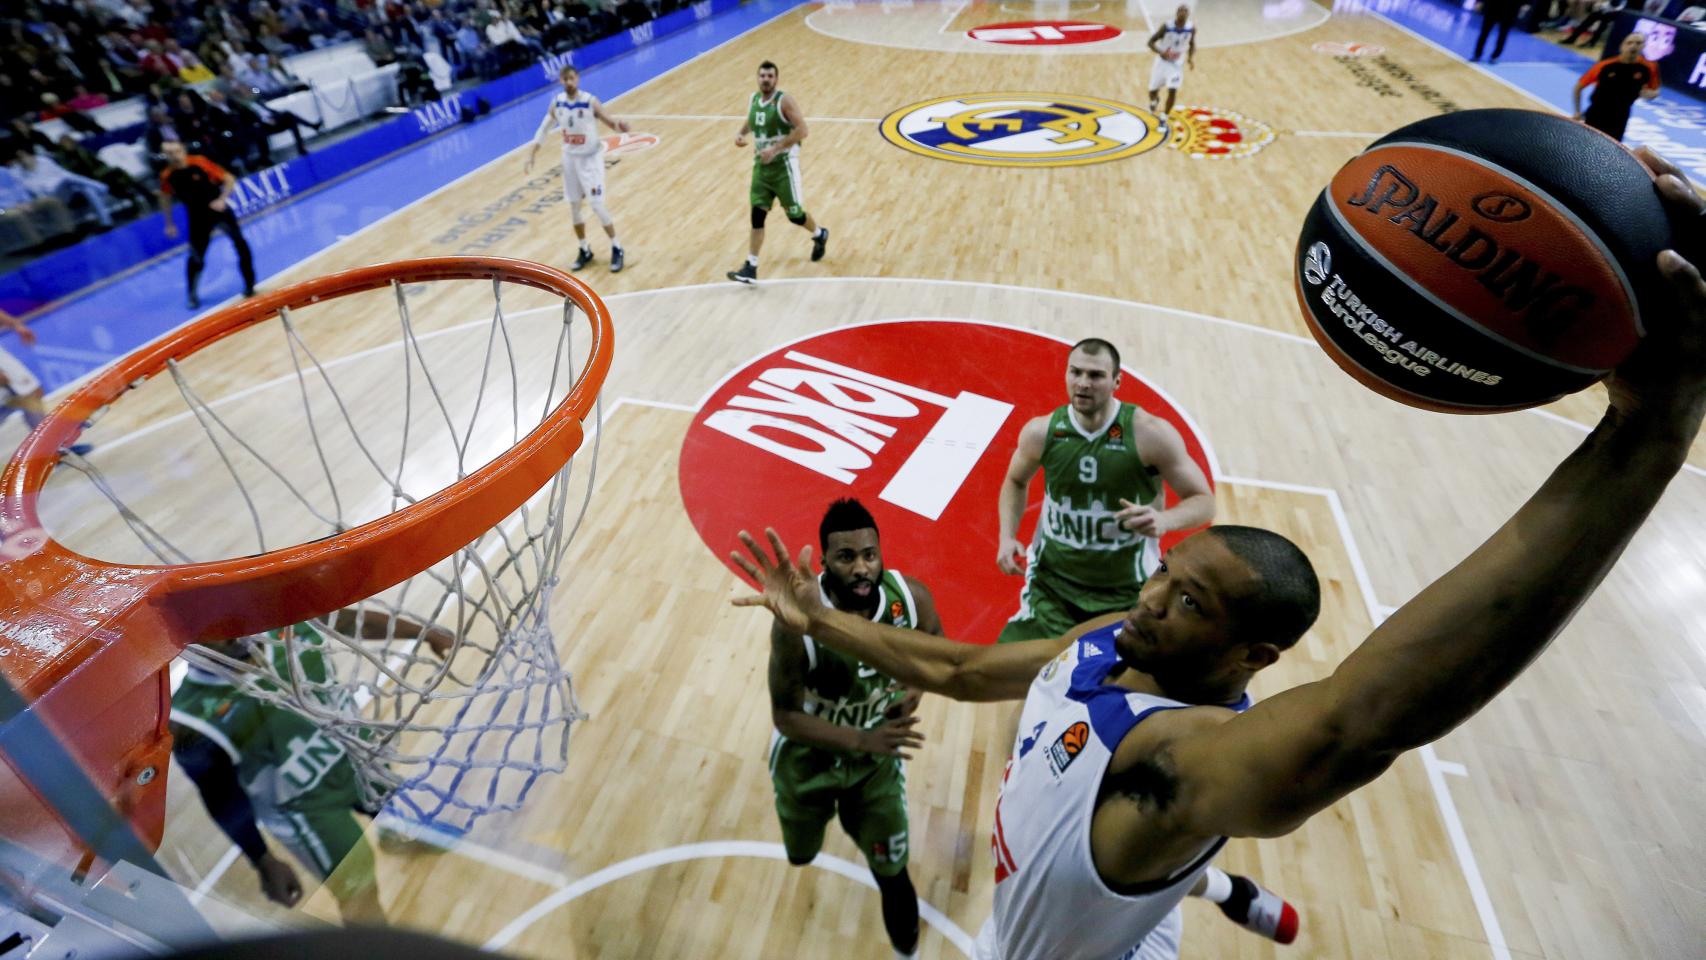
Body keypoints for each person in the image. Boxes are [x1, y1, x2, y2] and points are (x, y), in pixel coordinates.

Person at [729, 145, 1706, 960]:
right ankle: (1216, 885)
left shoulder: (1175, 763)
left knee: (1158, 845)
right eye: (1165, 578)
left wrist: (1644, 441)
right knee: (1151, 857)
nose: (1151, 603)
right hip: (1083, 882)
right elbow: (954, 666)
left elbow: (1356, 722)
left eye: (1190, 604)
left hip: (1088, 927)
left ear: (1254, 661)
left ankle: (1197, 876)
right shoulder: (1118, 636)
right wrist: (814, 615)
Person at [171, 611, 454, 923]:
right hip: (307, 811)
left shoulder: (291, 622)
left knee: (401, 811)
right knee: (360, 894)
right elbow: (222, 799)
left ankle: (395, 835)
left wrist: (423, 632)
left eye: (230, 617)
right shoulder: (192, 720)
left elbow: (351, 621)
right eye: (212, 627)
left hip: (358, 757)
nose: (232, 631)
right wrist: (262, 859)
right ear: (182, 643)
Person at [767, 499, 941, 960]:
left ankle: (909, 955)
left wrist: (915, 690)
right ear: (824, 563)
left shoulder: (909, 600)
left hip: (875, 767)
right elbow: (785, 716)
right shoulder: (796, 625)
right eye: (846, 557)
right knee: (801, 855)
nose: (862, 568)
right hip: (807, 759)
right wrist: (863, 737)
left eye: (870, 554)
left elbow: (937, 645)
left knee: (893, 872)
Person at [995, 338, 1214, 643]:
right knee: (1027, 675)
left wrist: (1164, 521)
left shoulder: (1150, 435)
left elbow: (1203, 502)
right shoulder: (1041, 432)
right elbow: (1015, 481)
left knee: (1113, 682)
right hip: (1052, 585)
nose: (1083, 383)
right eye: (1076, 372)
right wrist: (1007, 537)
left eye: (1095, 375)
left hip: (1127, 590)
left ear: (1116, 381)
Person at [726, 60, 829, 285]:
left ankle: (819, 234)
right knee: (757, 215)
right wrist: (741, 133)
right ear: (757, 78)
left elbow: (803, 130)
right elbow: (753, 120)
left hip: (784, 166)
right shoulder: (754, 99)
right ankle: (751, 266)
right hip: (761, 168)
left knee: (795, 215)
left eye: (770, 76)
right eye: (762, 75)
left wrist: (775, 149)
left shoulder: (784, 101)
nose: (765, 79)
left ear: (776, 79)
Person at [524, 64, 630, 273]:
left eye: (571, 78)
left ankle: (617, 246)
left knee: (597, 204)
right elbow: (544, 128)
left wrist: (621, 127)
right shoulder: (557, 103)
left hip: (590, 159)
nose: (568, 82)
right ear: (560, 81)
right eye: (564, 79)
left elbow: (609, 121)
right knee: (574, 207)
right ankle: (584, 249)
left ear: (577, 78)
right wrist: (531, 153)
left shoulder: (589, 101)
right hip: (570, 159)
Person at [158, 140, 257, 310]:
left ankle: (250, 284)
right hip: (197, 218)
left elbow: (229, 179)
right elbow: (165, 198)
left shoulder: (199, 163)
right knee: (196, 257)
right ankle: (192, 294)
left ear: (183, 150)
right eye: (168, 153)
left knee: (240, 243)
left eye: (175, 151)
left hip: (218, 211)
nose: (173, 156)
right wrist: (169, 223)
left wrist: (222, 199)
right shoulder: (168, 175)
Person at [1574, 32, 1660, 142]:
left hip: (1621, 115)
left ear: (1643, 46)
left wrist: (1649, 94)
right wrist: (1577, 111)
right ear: (1622, 46)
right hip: (1597, 112)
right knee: (1587, 144)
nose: (1633, 46)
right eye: (1629, 43)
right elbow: (1578, 87)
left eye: (1638, 43)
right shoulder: (1605, 66)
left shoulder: (1649, 67)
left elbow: (1655, 91)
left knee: (1612, 149)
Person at [1146, 5, 1195, 116]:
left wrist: (1190, 59)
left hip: (1176, 65)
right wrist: (1161, 52)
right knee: (1152, 91)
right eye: (1180, 10)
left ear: (1188, 14)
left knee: (1173, 90)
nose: (1182, 12)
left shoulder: (1191, 28)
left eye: (1185, 10)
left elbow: (1192, 44)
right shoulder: (1167, 26)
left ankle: (1165, 116)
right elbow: (1150, 42)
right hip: (1162, 63)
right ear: (1176, 13)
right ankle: (1154, 101)